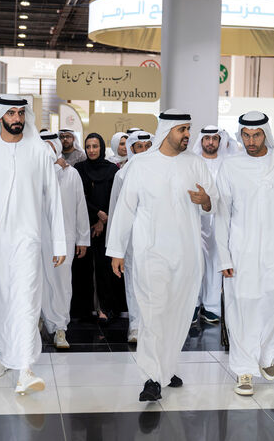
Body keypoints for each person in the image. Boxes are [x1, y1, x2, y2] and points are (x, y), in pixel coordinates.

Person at [0, 95, 66, 395]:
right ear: (1, 116)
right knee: (0, 299)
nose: (17, 118)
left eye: (21, 112)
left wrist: (59, 242)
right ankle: (6, 354)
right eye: (12, 113)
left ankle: (25, 369)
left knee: (26, 299)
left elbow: (53, 199)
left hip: (28, 239)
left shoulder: (39, 151)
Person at [106, 109, 218, 402]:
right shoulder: (141, 165)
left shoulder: (195, 164)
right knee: (153, 315)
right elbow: (125, 209)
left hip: (187, 254)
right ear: (167, 130)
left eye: (188, 129)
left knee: (178, 315)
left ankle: (166, 368)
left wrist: (206, 200)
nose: (187, 135)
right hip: (150, 253)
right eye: (182, 129)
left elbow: (214, 201)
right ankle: (152, 377)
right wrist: (117, 251)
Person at [214, 112, 274, 396]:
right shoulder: (231, 165)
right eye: (246, 135)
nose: (251, 141)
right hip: (241, 251)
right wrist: (224, 257)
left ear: (266, 134)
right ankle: (244, 370)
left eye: (256, 135)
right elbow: (221, 214)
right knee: (242, 308)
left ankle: (267, 354)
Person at [40, 132, 90, 349]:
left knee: (61, 283)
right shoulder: (35, 174)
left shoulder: (73, 175)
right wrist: (55, 167)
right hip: (38, 238)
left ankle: (60, 328)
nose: (48, 152)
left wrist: (83, 239)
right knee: (38, 282)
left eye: (51, 147)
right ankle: (38, 321)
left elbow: (81, 207)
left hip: (65, 239)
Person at [106, 130, 155, 343]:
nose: (143, 151)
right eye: (139, 147)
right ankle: (135, 326)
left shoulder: (160, 173)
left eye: (147, 147)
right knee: (134, 284)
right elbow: (116, 210)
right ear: (132, 149)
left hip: (157, 238)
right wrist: (115, 245)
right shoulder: (122, 174)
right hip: (132, 239)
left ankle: (152, 327)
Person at [191, 126, 238, 325]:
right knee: (194, 263)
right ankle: (192, 305)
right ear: (201, 140)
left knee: (216, 261)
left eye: (214, 138)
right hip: (195, 219)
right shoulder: (192, 162)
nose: (210, 142)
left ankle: (210, 306)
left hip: (219, 219)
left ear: (220, 141)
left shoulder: (228, 164)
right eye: (207, 138)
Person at [73, 132, 121, 323]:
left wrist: (103, 220)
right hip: (84, 225)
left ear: (101, 147)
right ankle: (83, 309)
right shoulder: (79, 169)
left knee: (104, 269)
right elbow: (79, 197)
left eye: (95, 146)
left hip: (106, 226)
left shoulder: (112, 170)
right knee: (82, 269)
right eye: (88, 147)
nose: (91, 150)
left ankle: (105, 308)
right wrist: (96, 215)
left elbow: (115, 196)